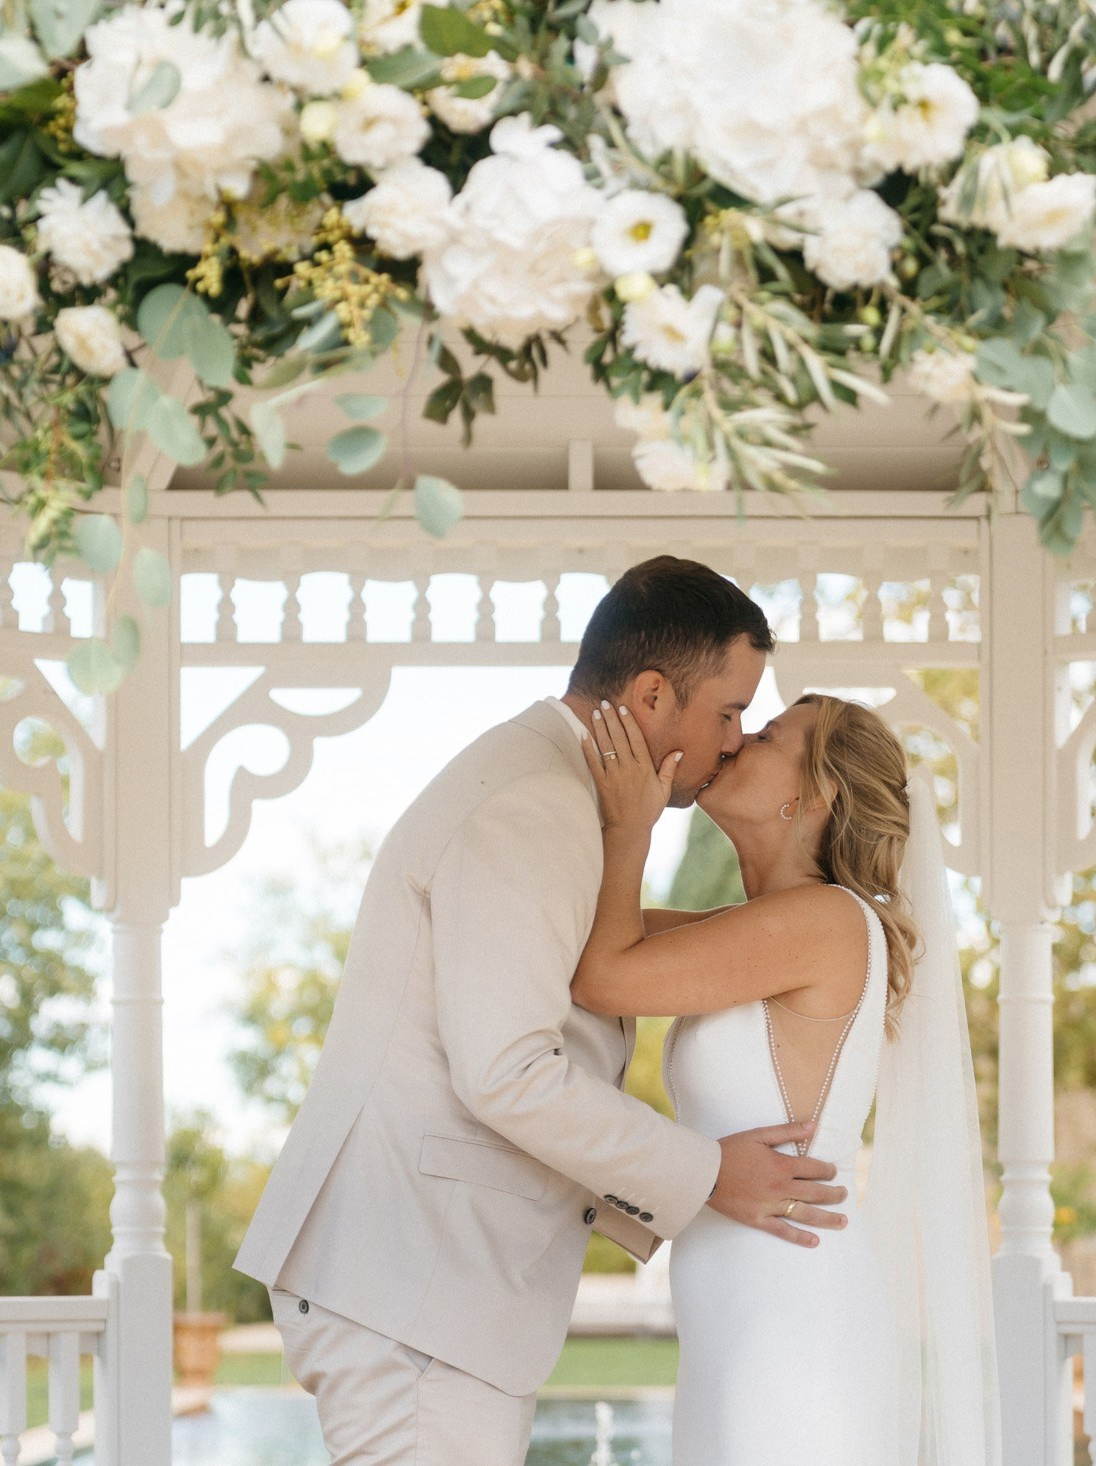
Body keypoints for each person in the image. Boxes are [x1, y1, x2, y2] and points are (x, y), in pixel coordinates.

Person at [233, 556, 849, 1465]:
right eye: (727, 712)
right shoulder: (537, 803)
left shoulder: (551, 792)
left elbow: (615, 955)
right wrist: (707, 1172)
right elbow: (508, 1074)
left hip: (423, 1289)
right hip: (418, 1289)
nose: (733, 739)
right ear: (649, 696)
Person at [572, 693, 1001, 1465]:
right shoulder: (752, 929)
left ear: (814, 793)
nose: (736, 743)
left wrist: (629, 822)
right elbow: (586, 939)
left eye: (766, 735)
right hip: (739, 1325)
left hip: (795, 1328)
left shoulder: (828, 921)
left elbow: (602, 975)